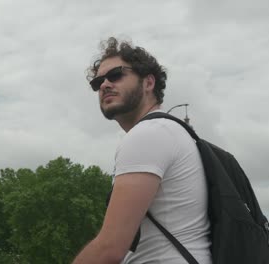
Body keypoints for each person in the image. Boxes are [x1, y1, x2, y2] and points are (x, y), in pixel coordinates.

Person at [72, 37, 212, 264]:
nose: (105, 84)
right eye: (98, 83)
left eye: (116, 75)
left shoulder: (149, 134)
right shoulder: (172, 132)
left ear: (148, 83)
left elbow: (109, 249)